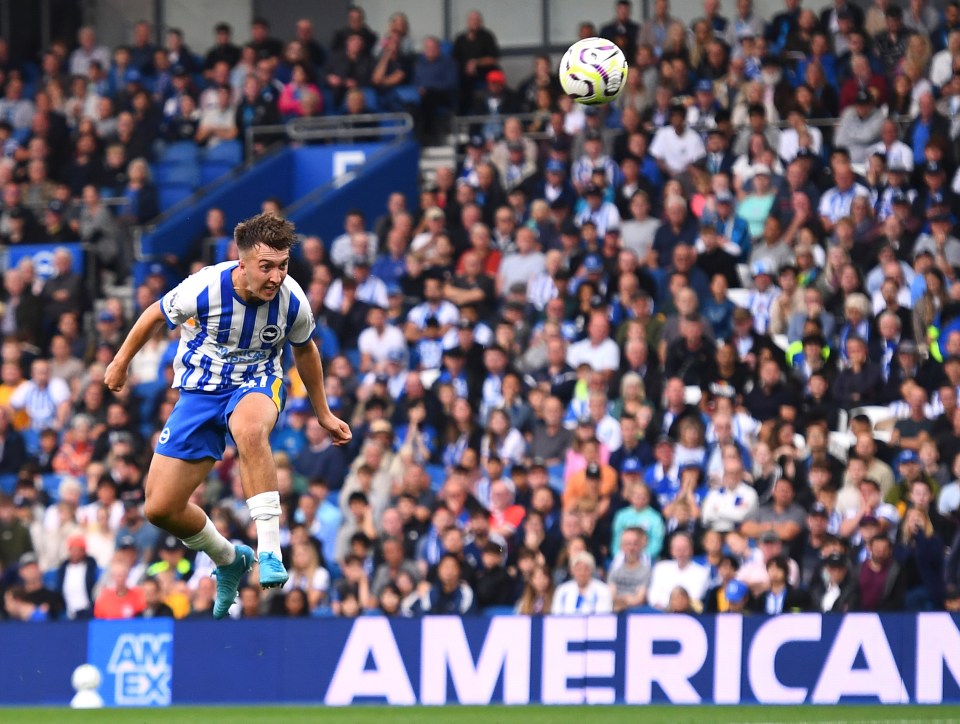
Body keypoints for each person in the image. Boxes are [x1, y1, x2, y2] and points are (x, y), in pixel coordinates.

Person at [104, 213, 352, 620]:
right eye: (266, 267)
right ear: (242, 264)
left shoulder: (292, 301)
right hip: (199, 395)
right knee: (160, 508)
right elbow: (153, 313)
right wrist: (120, 362)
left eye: (283, 266)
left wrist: (322, 412)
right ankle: (228, 558)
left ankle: (269, 549)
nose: (276, 277)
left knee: (249, 429)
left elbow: (305, 350)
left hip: (258, 382)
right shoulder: (204, 288)